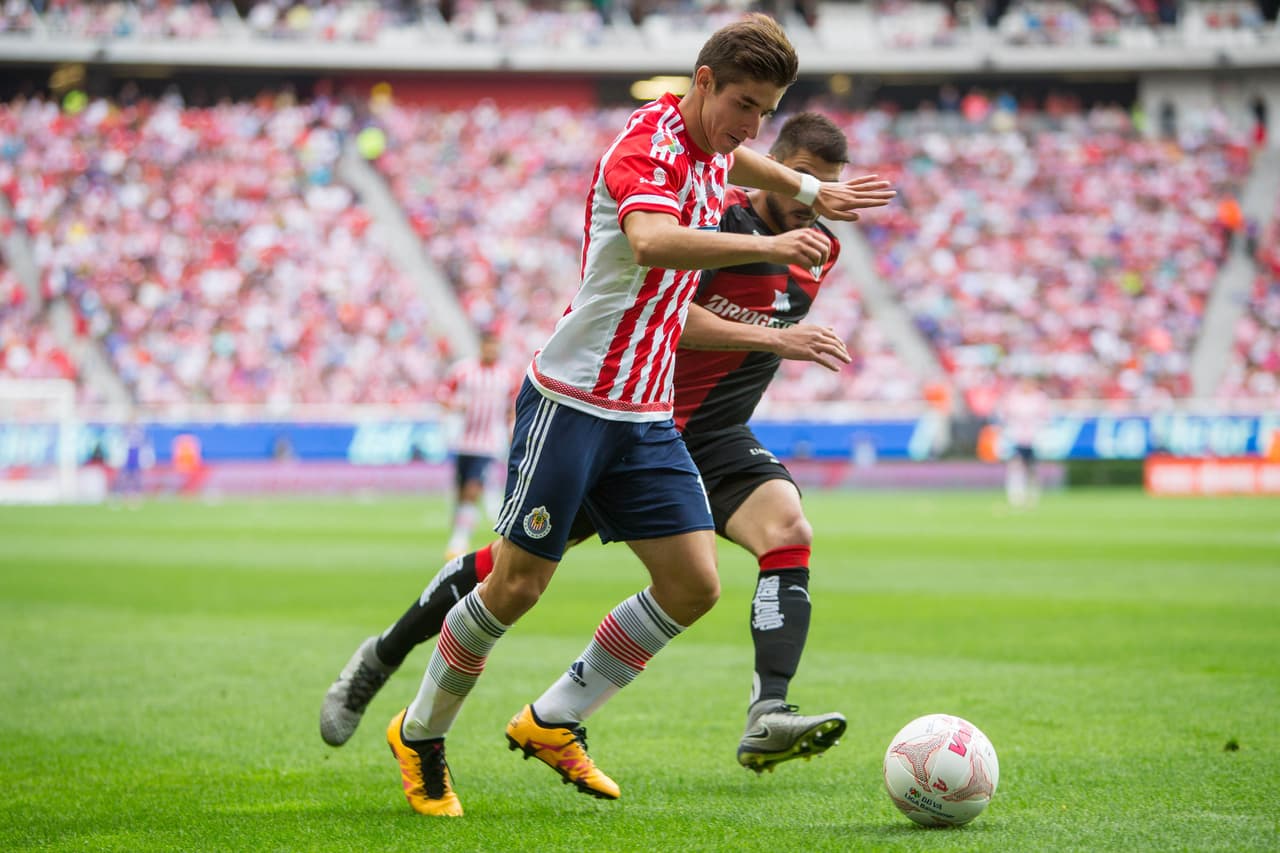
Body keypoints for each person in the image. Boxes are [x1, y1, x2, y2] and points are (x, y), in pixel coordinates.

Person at [344, 15, 894, 817]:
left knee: (693, 583)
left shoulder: (713, 146)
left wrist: (809, 190)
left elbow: (735, 155)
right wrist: (772, 251)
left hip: (647, 416)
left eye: (767, 111)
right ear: (700, 81)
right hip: (573, 400)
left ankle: (554, 718)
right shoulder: (645, 142)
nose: (752, 126)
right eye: (743, 102)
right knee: (515, 586)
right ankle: (420, 733)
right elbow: (651, 242)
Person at [436, 331, 517, 559]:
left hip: (488, 443)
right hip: (463, 441)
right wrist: (454, 407)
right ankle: (459, 530)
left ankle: (459, 541)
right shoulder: (463, 371)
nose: (492, 351)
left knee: (472, 488)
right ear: (481, 346)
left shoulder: (506, 375)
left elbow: (513, 406)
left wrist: (511, 429)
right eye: (488, 346)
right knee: (461, 491)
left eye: (495, 347)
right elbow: (443, 395)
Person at [997, 376, 1052, 508]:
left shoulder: (1039, 398)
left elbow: (1046, 417)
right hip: (1016, 437)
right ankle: (1016, 495)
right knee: (1015, 465)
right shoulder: (1013, 398)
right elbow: (1004, 415)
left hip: (1033, 438)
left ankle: (1033, 495)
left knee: (1032, 468)